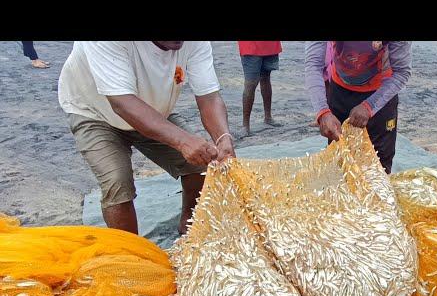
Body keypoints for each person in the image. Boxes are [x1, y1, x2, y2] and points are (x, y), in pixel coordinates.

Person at [58, 41, 235, 235]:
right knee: (117, 182)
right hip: (96, 112)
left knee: (202, 163)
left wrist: (223, 137)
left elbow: (209, 97)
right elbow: (122, 103)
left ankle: (190, 225)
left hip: (152, 111)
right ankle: (133, 253)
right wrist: (182, 141)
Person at [305, 41, 412, 174]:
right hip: (340, 90)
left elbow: (401, 72)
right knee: (340, 162)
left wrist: (369, 106)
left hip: (381, 93)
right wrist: (322, 112)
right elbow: (314, 64)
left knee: (380, 167)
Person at [238, 41, 283, 137]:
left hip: (270, 46)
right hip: (251, 46)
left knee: (266, 78)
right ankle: (245, 125)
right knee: (251, 83)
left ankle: (268, 117)